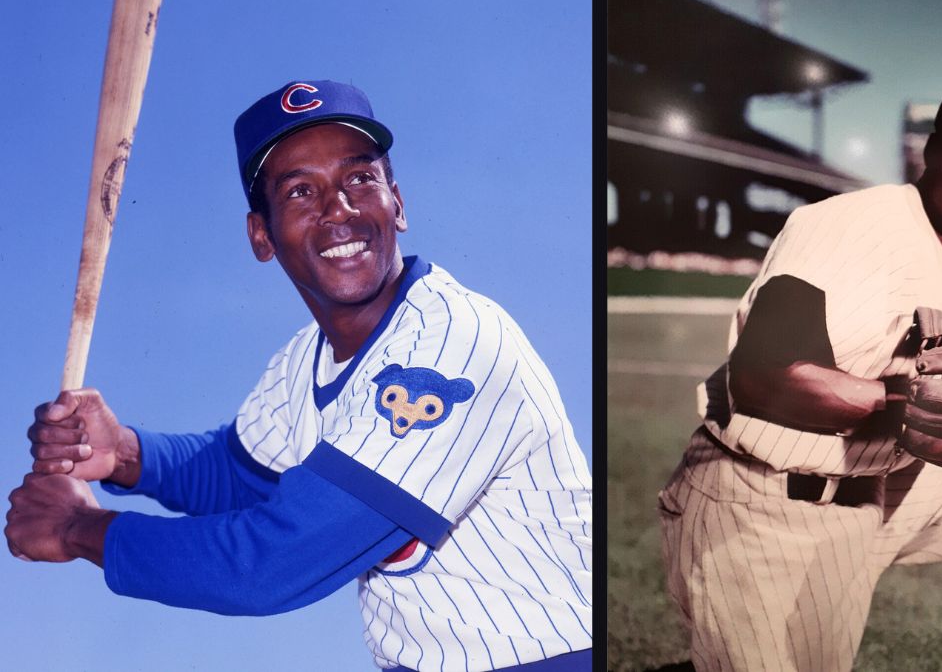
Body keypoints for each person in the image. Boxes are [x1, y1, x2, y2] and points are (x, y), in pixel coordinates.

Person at [5, 80, 592, 672]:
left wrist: (79, 528)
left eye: (359, 179)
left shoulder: (448, 343)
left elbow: (270, 562)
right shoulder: (303, 360)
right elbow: (238, 473)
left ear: (398, 202)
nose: (339, 209)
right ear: (262, 236)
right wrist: (124, 454)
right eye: (300, 192)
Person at [657, 63, 942, 672]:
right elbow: (763, 375)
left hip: (866, 500)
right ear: (930, 149)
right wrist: (905, 400)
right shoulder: (847, 224)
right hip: (755, 498)